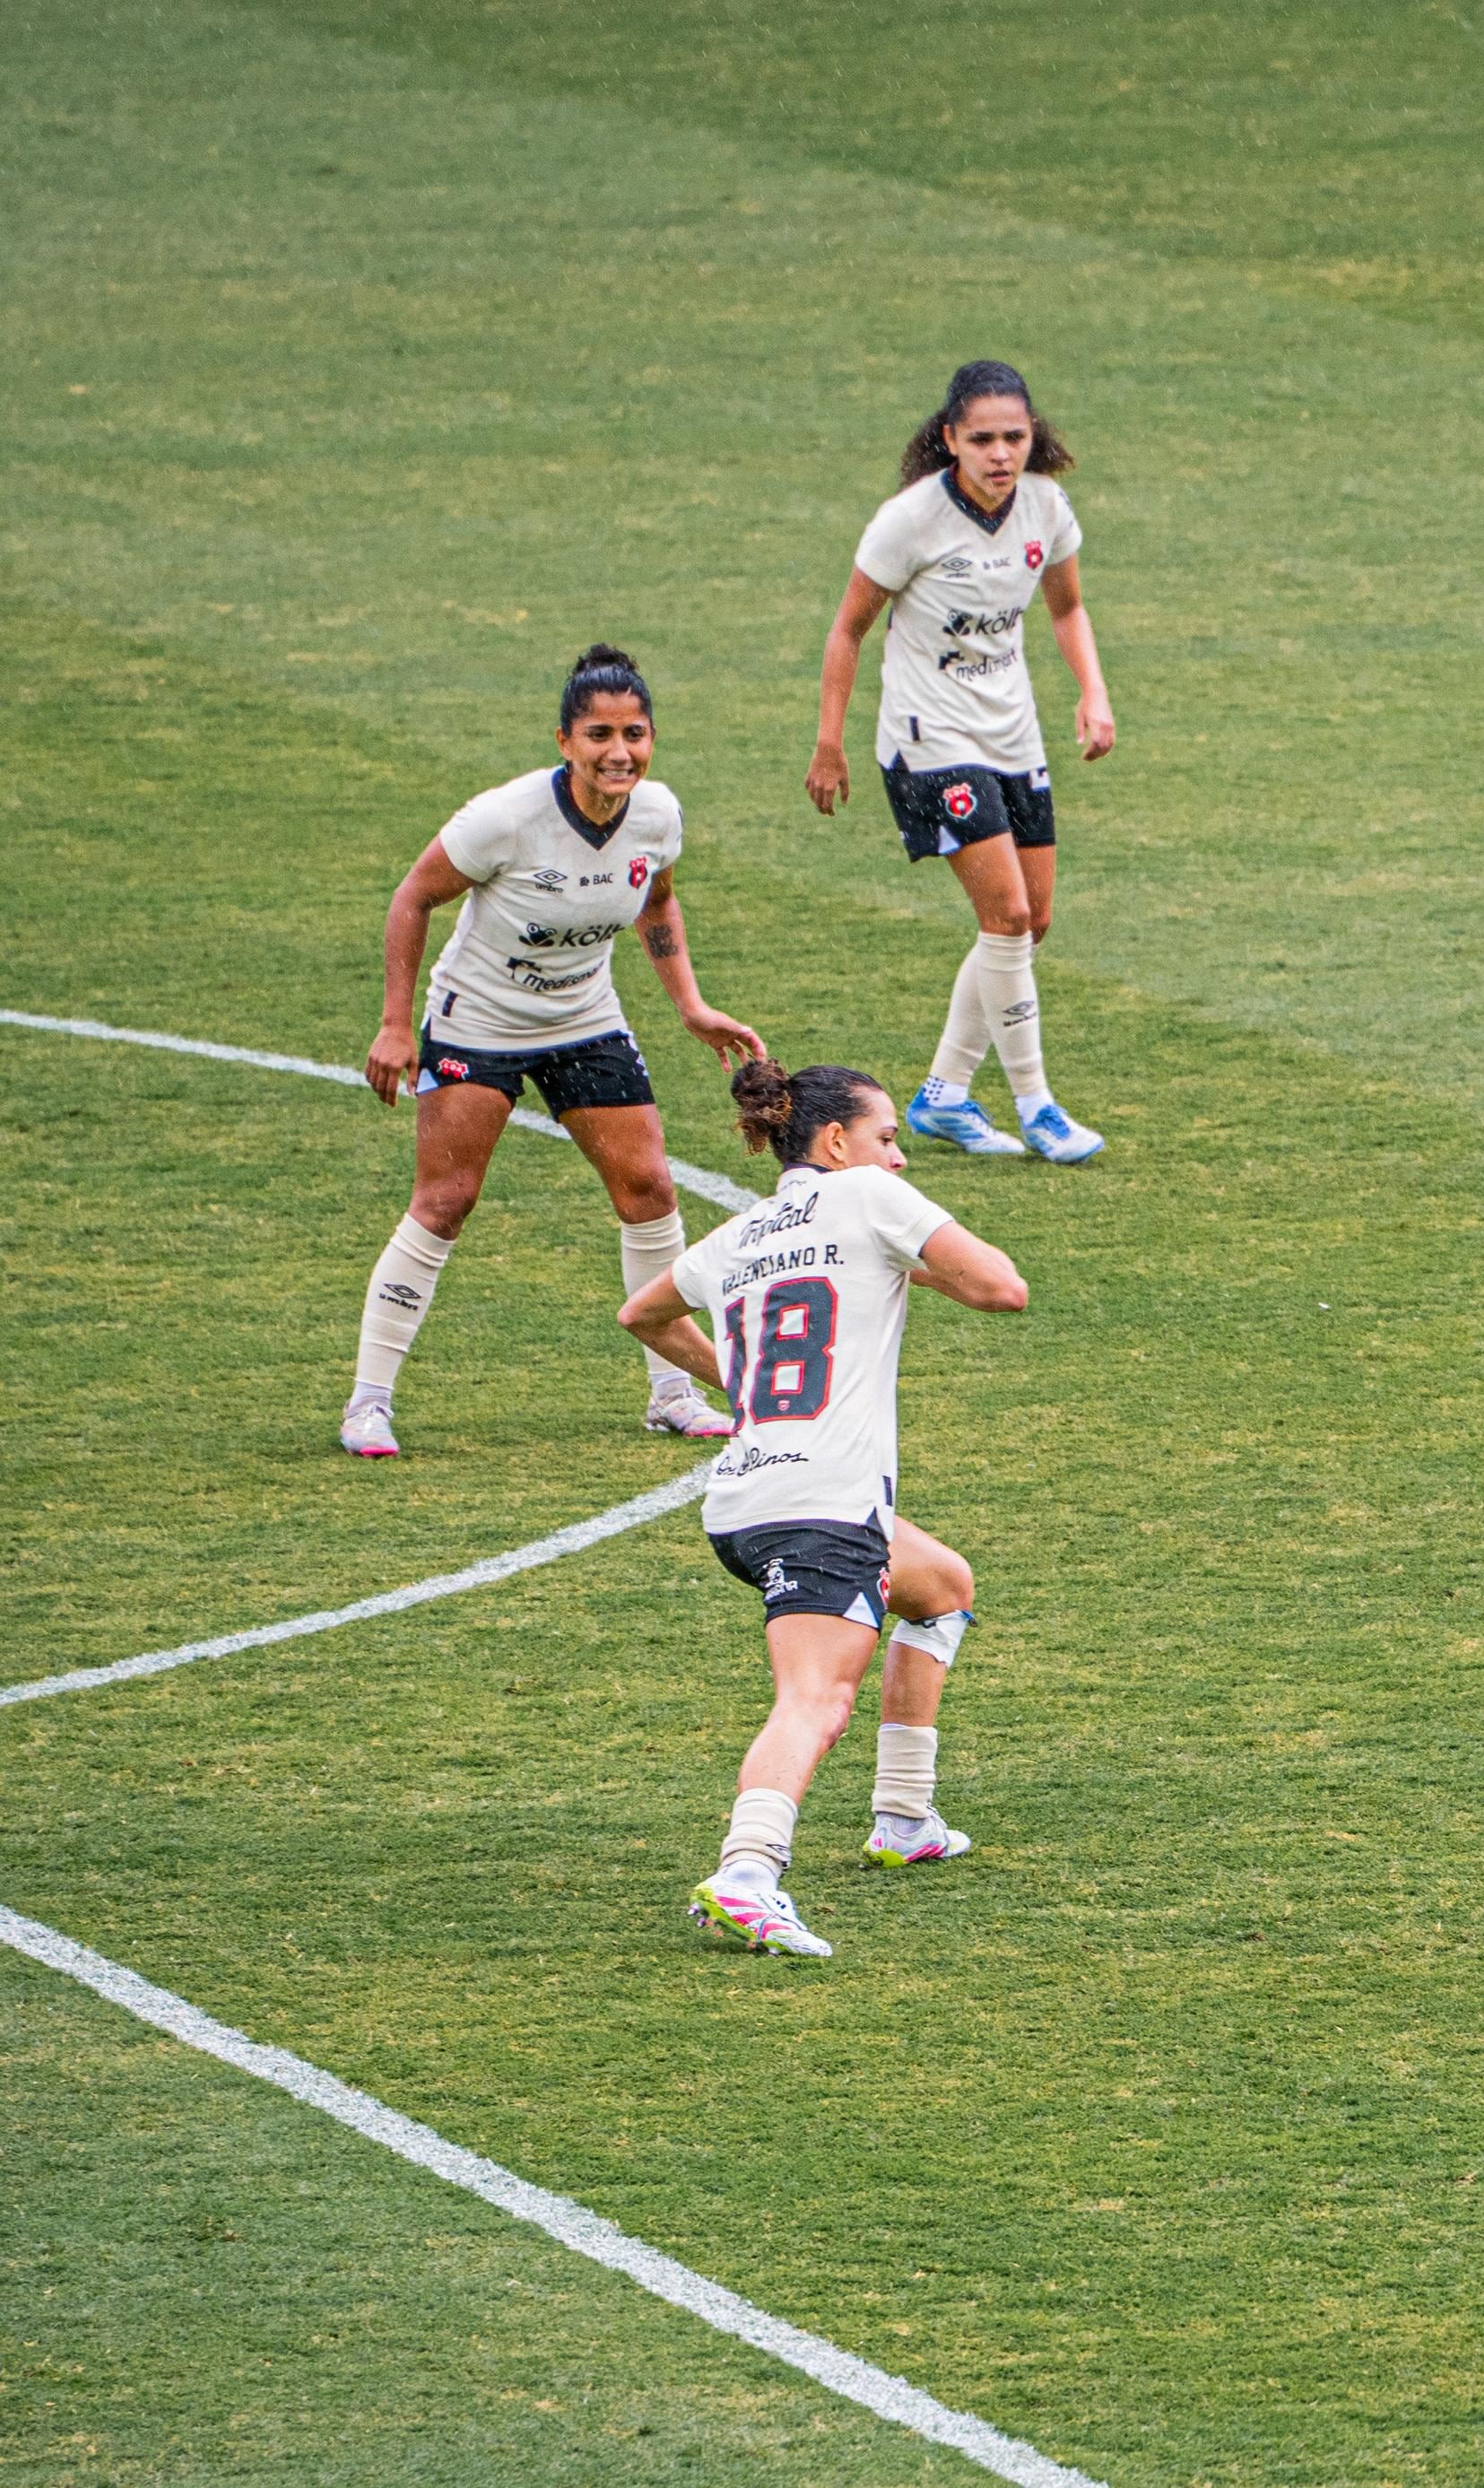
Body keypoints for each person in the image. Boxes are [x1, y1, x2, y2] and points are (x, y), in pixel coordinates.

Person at [621, 1059, 1028, 1959]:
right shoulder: (868, 1203)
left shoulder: (743, 1231)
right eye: (888, 1139)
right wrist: (914, 1264)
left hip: (744, 1494)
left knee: (941, 1586)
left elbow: (642, 1313)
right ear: (835, 1140)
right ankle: (747, 1873)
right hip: (820, 1504)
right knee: (816, 1695)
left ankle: (904, 1816)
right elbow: (1003, 1284)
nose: (899, 1161)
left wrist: (742, 1386)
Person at [346, 644, 763, 1458]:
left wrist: (690, 1006)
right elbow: (414, 896)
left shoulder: (656, 815)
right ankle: (369, 1402)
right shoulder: (504, 818)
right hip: (480, 1025)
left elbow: (657, 902)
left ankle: (673, 1393)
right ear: (565, 741)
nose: (620, 752)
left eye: (635, 733)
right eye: (600, 734)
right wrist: (398, 1025)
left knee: (648, 1188)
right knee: (446, 1202)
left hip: (584, 1018)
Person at [805, 358, 1116, 1165]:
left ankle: (942, 1096)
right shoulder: (909, 521)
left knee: (1027, 923)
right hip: (927, 741)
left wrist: (1092, 693)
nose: (1001, 453)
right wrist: (830, 741)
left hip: (1012, 735)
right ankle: (1037, 1104)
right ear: (950, 441)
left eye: (1015, 437)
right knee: (1008, 915)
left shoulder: (1045, 506)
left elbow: (1069, 606)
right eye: (982, 439)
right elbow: (848, 629)